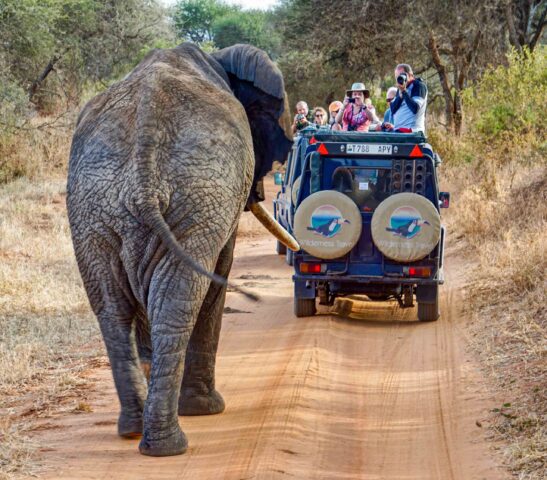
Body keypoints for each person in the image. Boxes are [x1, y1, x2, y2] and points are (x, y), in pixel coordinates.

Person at [384, 64, 427, 133]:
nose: (400, 79)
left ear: (410, 75)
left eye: (402, 75)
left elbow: (415, 108)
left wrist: (404, 91)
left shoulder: (418, 86)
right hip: (399, 131)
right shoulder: (401, 87)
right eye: (397, 77)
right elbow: (393, 109)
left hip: (412, 132)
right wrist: (401, 95)